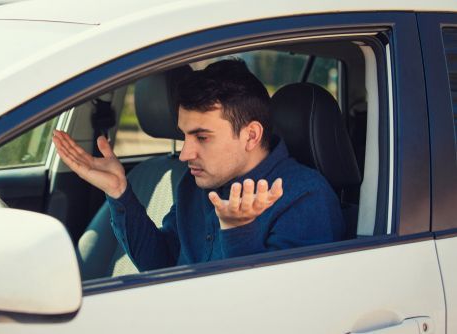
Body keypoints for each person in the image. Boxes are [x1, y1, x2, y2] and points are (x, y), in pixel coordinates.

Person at [53, 59, 344, 272]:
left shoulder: (305, 198)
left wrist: (238, 231)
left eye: (202, 137)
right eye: (184, 136)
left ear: (251, 135)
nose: (185, 154)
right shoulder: (196, 185)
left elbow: (265, 313)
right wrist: (120, 193)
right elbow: (161, 265)